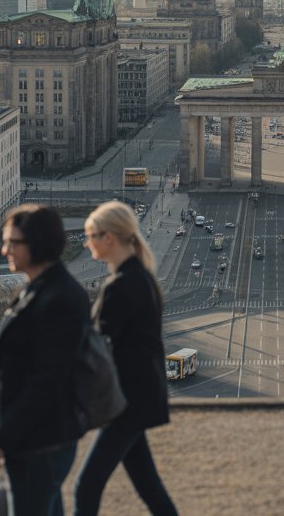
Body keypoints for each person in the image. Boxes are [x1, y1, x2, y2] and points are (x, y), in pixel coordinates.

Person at [0, 205, 91, 515]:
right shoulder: (40, 290)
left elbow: (45, 382)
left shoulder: (58, 299)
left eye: (13, 242)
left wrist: (2, 438)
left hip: (40, 440)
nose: (4, 250)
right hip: (39, 436)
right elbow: (17, 368)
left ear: (38, 243)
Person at [73, 201, 177, 516]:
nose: (87, 243)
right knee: (148, 486)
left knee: (86, 487)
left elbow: (97, 346)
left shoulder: (122, 285)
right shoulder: (140, 277)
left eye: (91, 236)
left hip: (127, 401)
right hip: (138, 397)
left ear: (109, 238)